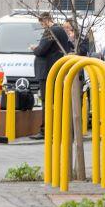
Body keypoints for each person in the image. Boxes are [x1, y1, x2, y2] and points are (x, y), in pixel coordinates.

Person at [27, 12, 73, 140]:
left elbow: (42, 50)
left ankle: (45, 131)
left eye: (42, 23)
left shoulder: (51, 31)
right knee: (57, 100)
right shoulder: (61, 30)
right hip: (56, 70)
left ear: (46, 20)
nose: (42, 26)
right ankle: (59, 129)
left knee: (46, 101)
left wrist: (34, 49)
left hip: (47, 71)